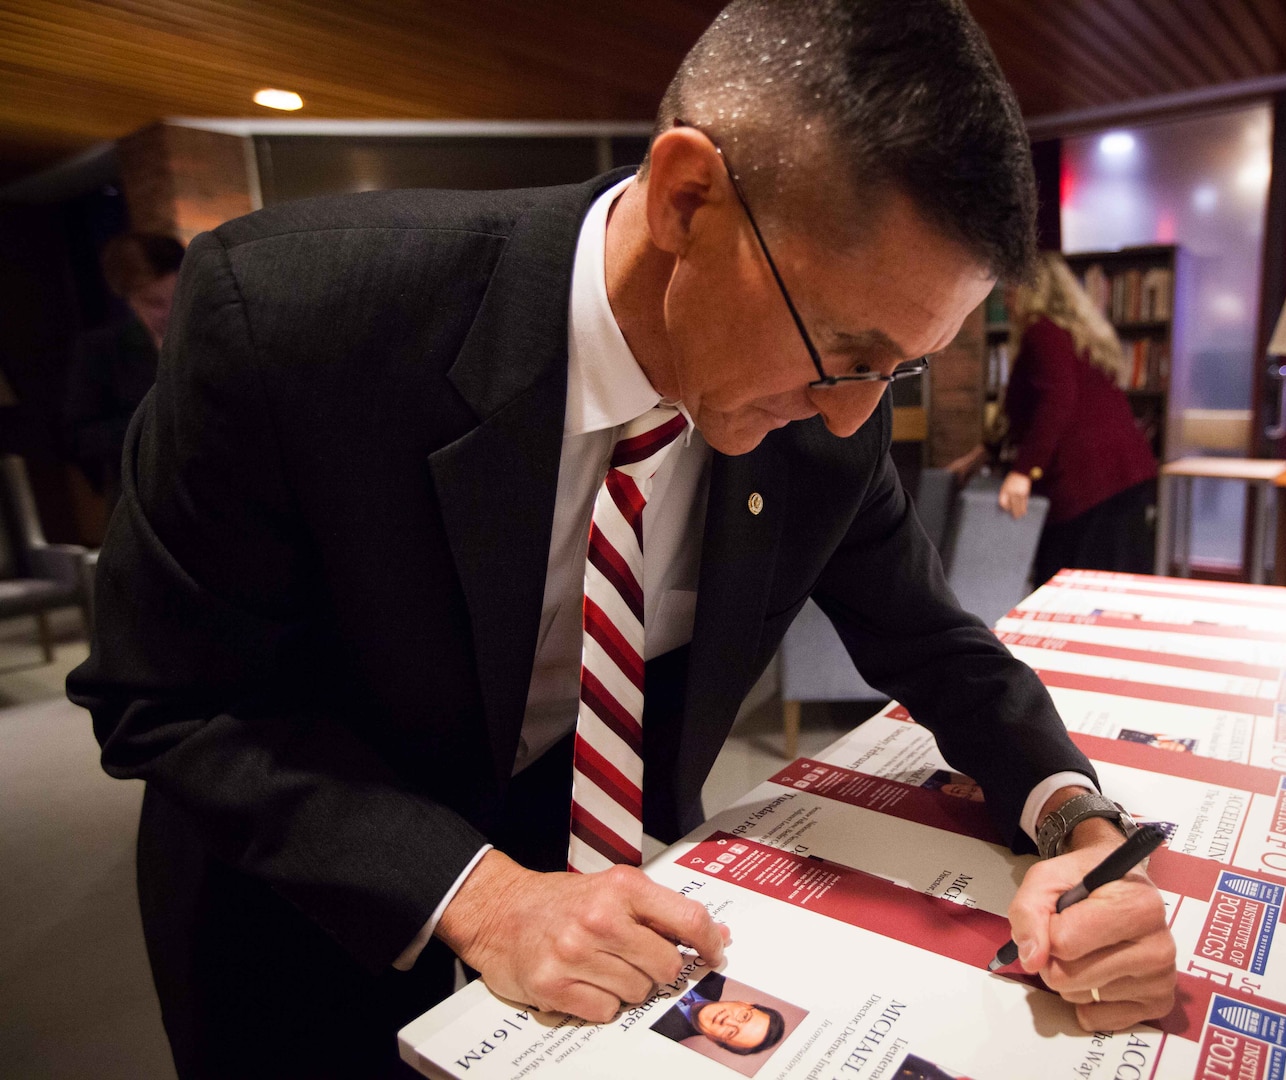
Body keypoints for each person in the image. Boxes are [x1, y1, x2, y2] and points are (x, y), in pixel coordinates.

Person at [66, 2, 1176, 1075]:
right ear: (689, 198)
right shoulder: (297, 314)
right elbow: (168, 698)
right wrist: (483, 894)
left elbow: (935, 643)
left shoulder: (831, 405)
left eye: (901, 366)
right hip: (311, 895)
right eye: (843, 348)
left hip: (618, 886)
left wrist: (1078, 824)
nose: (854, 417)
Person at [994, 253, 1160, 584]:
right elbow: (1024, 412)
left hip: (1088, 483)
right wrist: (982, 453)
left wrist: (1023, 472)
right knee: (1113, 591)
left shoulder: (1042, 331)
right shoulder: (1075, 334)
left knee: (1071, 590)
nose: (1006, 300)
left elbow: (1057, 399)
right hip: (1121, 475)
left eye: (1010, 290)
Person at [62, 232, 184, 507]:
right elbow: (79, 439)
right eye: (155, 303)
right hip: (146, 506)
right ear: (130, 299)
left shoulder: (212, 336)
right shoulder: (101, 350)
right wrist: (159, 423)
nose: (171, 311)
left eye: (178, 297)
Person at [650, 972, 787, 1055]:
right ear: (745, 1003)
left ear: (715, 1042)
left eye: (731, 1033)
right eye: (744, 1016)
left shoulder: (659, 1034)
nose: (728, 1021)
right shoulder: (715, 975)